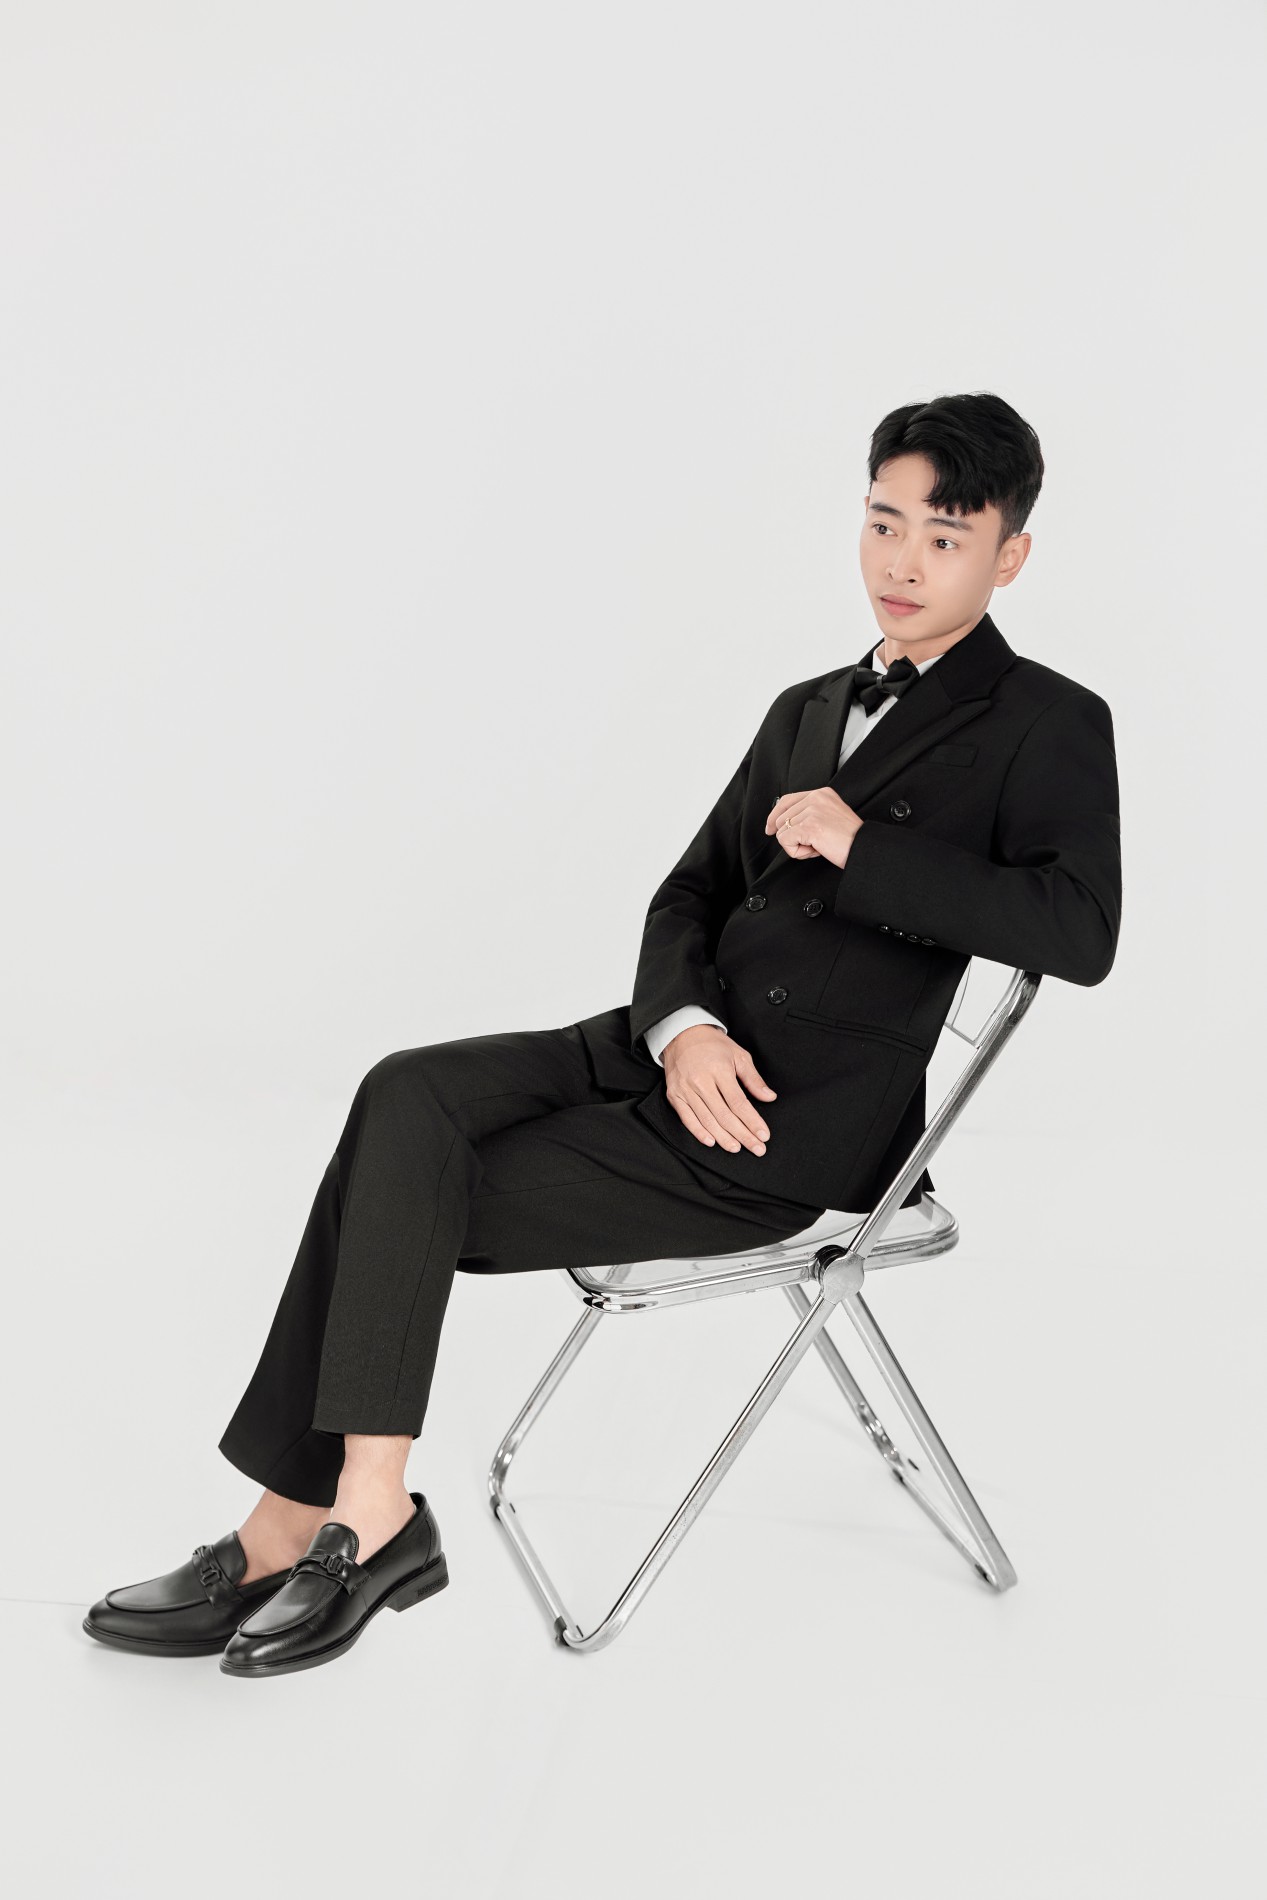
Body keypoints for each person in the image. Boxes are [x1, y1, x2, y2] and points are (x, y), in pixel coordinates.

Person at [83, 390, 1122, 1677]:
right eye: (882, 522)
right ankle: (363, 1513)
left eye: (945, 536)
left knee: (397, 1187)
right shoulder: (806, 705)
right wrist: (681, 1026)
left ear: (1009, 555)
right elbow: (688, 893)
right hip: (667, 1052)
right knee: (402, 1094)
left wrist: (864, 847)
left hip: (787, 1131)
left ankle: (297, 1525)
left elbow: (1079, 930)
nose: (902, 561)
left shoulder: (1046, 718)